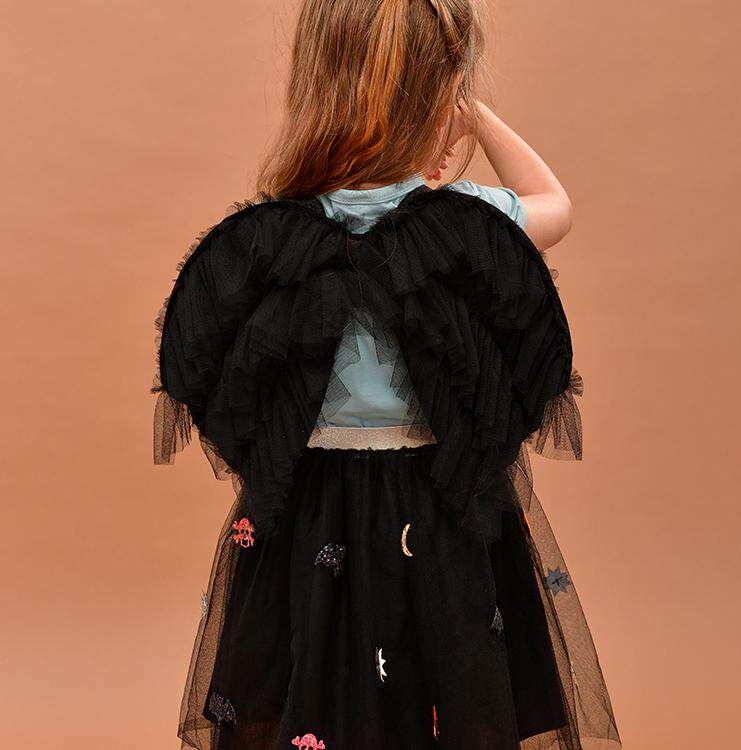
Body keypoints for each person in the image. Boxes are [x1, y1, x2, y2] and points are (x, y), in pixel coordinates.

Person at [151, 1, 621, 749]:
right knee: (447, 693)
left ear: (316, 85)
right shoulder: (464, 222)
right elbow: (554, 207)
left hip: (309, 510)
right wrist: (474, 114)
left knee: (314, 690)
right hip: (440, 506)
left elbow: (206, 367)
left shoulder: (273, 238)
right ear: (440, 96)